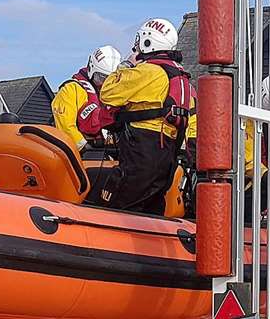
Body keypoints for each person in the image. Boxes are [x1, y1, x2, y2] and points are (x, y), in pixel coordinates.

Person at [97, 18, 195, 215]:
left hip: (142, 150)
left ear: (147, 41)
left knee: (120, 206)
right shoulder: (182, 78)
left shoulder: (147, 72)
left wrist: (126, 65)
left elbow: (108, 92)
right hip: (168, 154)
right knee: (152, 205)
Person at [51, 45, 122, 149]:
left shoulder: (115, 94)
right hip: (79, 151)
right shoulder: (71, 89)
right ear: (91, 69)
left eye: (110, 79)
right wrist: (83, 147)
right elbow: (65, 125)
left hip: (106, 149)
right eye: (101, 78)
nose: (104, 83)